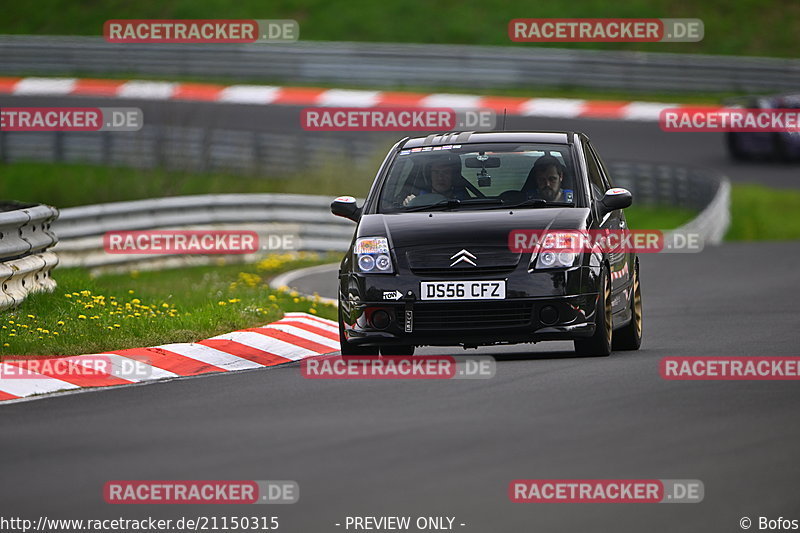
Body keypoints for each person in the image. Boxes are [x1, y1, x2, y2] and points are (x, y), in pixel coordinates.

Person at [403, 154, 470, 206]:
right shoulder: (416, 201)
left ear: (453, 177)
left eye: (446, 172)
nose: (440, 177)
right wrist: (410, 203)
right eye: (436, 172)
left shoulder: (466, 203)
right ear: (429, 176)